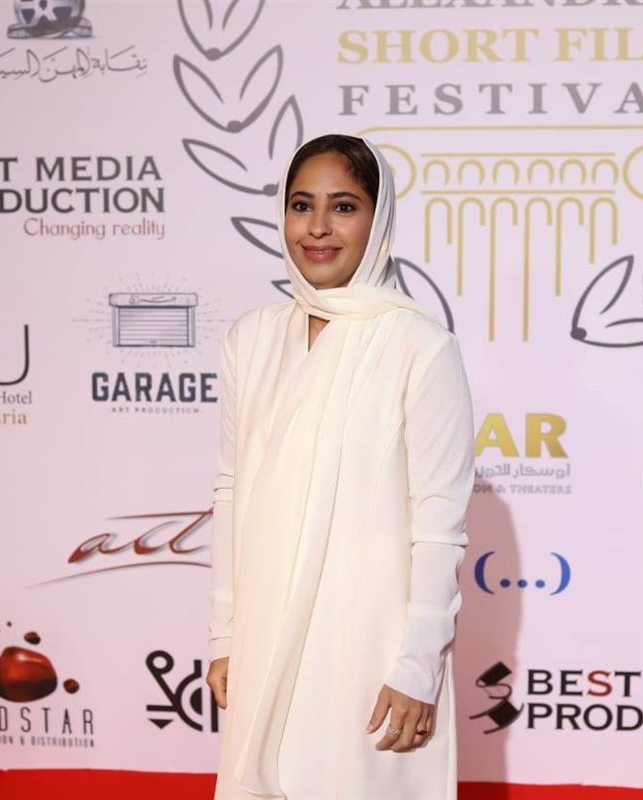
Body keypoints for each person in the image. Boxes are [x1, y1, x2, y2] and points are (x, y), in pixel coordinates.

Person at [205, 134, 475, 800]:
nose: (318, 227)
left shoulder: (419, 346)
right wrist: (226, 634)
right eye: (302, 205)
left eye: (344, 207)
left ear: (378, 220)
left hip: (367, 640)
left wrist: (418, 664)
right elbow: (232, 493)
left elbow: (438, 524)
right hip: (266, 627)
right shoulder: (251, 338)